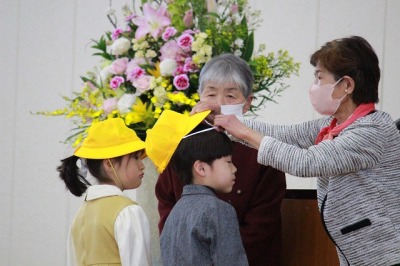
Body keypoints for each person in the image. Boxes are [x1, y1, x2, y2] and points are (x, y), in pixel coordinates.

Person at [209, 36, 400, 265]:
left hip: (386, 255)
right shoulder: (333, 125)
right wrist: (223, 121)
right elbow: (283, 134)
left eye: (320, 78)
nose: (315, 87)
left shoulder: (372, 129)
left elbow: (305, 162)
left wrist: (242, 130)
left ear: (347, 85)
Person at [155, 54, 286, 266]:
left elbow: (263, 225)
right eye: (211, 94)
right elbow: (167, 207)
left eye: (231, 96)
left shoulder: (262, 149)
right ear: (198, 96)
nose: (218, 104)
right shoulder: (181, 145)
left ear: (247, 103)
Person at [145, 109, 248, 266]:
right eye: (228, 162)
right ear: (201, 168)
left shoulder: (175, 213)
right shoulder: (219, 210)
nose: (234, 169)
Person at [57, 118, 152, 266]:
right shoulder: (128, 211)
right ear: (109, 164)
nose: (142, 165)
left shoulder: (80, 216)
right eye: (135, 158)